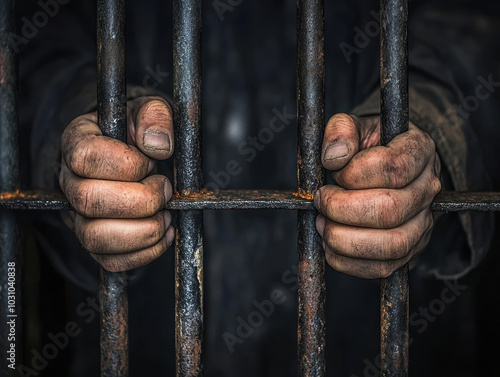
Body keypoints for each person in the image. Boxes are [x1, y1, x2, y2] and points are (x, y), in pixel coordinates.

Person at [16, 0, 500, 375]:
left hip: (383, 336)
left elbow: (472, 27)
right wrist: (94, 127)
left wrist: (419, 127)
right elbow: (34, 43)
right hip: (140, 337)